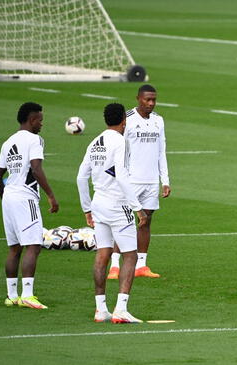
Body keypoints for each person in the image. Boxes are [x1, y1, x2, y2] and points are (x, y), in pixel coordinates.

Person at [77, 103, 148, 323]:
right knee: (130, 255)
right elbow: (121, 175)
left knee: (103, 254)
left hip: (98, 203)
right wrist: (137, 207)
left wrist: (87, 208)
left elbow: (81, 177)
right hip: (118, 204)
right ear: (123, 121)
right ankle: (121, 309)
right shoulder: (120, 141)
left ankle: (101, 310)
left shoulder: (95, 142)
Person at [0, 102, 58, 310]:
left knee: (14, 248)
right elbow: (36, 168)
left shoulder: (8, 142)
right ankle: (28, 295)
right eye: (40, 120)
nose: (41, 124)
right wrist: (50, 196)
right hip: (25, 197)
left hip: (9, 196)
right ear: (32, 120)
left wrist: (5, 198)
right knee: (34, 245)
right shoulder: (34, 139)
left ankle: (11, 296)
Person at [108, 84, 170, 279]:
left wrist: (165, 180)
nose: (151, 103)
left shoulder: (158, 121)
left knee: (146, 221)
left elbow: (161, 152)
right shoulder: (127, 120)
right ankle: (115, 266)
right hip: (131, 180)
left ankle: (141, 265)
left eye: (153, 100)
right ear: (138, 99)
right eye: (147, 99)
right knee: (124, 220)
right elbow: (116, 148)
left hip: (151, 181)